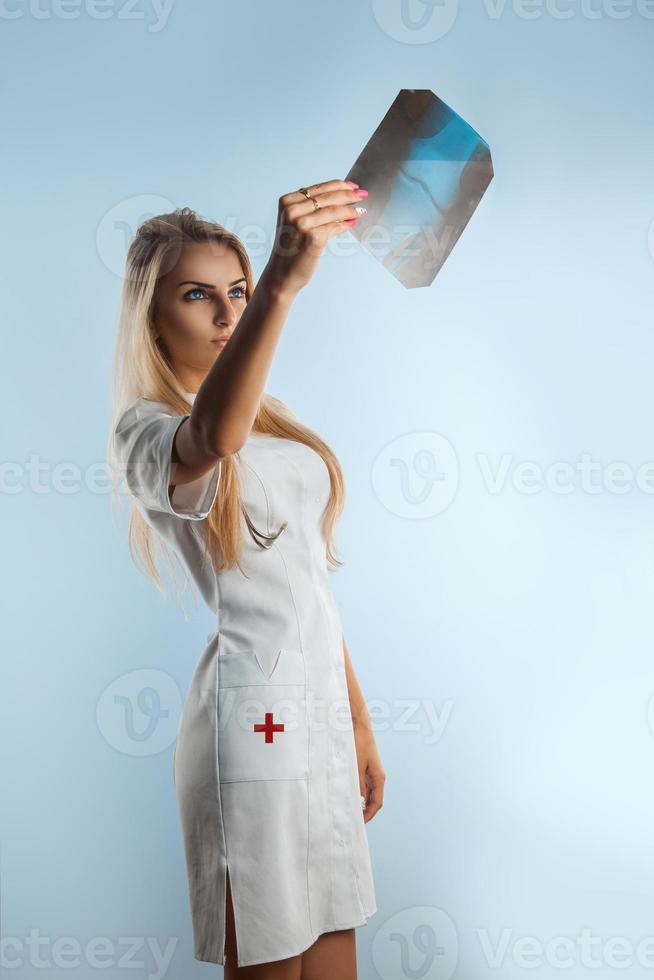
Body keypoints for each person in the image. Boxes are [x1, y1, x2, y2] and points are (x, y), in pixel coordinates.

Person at [107, 179, 385, 978]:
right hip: (251, 727)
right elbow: (212, 439)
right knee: (270, 959)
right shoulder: (148, 431)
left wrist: (357, 719)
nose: (227, 315)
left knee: (333, 957)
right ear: (152, 317)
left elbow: (307, 590)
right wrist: (281, 285)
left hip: (320, 715)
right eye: (199, 296)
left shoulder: (267, 419)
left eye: (239, 291)